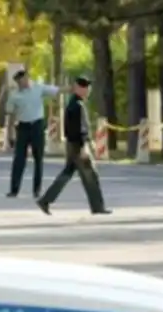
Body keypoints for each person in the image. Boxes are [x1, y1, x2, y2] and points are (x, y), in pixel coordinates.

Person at [35, 75, 111, 216]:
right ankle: (97, 207)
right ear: (77, 88)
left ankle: (46, 200)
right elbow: (77, 129)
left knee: (67, 173)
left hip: (73, 145)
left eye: (88, 86)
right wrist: (84, 145)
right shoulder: (76, 106)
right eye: (85, 87)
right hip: (78, 145)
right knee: (91, 176)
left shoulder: (74, 104)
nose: (88, 89)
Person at [4, 68, 66, 199]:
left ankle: (36, 190)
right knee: (19, 159)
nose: (23, 83)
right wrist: (10, 134)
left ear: (27, 78)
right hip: (23, 127)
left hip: (37, 126)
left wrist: (73, 89)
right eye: (20, 82)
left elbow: (56, 90)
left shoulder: (38, 88)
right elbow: (10, 116)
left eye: (24, 80)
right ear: (17, 82)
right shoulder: (14, 95)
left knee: (39, 159)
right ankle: (14, 189)